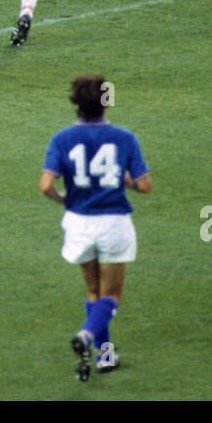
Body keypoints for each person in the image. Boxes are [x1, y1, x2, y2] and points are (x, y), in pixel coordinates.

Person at [39, 73, 151, 381]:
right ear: (105, 102)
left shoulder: (61, 139)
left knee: (93, 290)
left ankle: (106, 356)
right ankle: (88, 336)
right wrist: (125, 181)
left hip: (78, 223)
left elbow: (46, 184)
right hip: (114, 222)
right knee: (111, 295)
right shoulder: (125, 137)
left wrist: (64, 198)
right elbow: (145, 185)